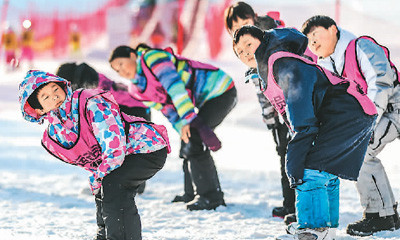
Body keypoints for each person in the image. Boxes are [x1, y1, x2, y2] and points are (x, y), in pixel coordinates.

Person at [233, 25, 376, 239]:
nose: (245, 53)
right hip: (353, 111)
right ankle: (326, 227)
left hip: (346, 111)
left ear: (262, 42)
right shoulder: (270, 69)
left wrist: (297, 150)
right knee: (323, 168)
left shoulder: (282, 63)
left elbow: (300, 110)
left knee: (308, 167)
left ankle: (314, 228)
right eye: (240, 52)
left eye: (248, 45)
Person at [19, 70, 170, 240]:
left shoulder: (90, 101)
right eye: (45, 97)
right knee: (103, 188)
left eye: (55, 89)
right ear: (38, 109)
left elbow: (114, 145)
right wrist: (98, 179)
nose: (54, 97)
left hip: (146, 147)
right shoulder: (55, 134)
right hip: (120, 157)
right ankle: (103, 235)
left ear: (63, 85)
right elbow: (88, 158)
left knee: (113, 184)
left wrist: (100, 176)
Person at [301, 15, 400, 236]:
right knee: (362, 152)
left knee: (362, 150)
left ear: (333, 29)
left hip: (394, 106)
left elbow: (380, 81)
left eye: (316, 35)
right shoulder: (326, 66)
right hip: (380, 113)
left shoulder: (360, 46)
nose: (313, 43)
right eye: (309, 41)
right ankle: (386, 215)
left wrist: (370, 122)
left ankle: (381, 215)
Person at [109, 44, 237, 211]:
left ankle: (211, 197)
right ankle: (191, 194)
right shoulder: (137, 89)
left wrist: (189, 120)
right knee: (188, 140)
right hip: (201, 101)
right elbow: (167, 109)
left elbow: (175, 88)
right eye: (116, 70)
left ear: (132, 55)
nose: (121, 71)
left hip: (220, 90)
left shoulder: (152, 58)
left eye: (121, 64)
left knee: (195, 136)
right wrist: (182, 128)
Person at [224, 1, 296, 223]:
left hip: (291, 105)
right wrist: (269, 118)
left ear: (253, 18)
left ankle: (297, 205)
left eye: (244, 22)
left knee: (293, 155)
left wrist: (279, 113)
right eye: (235, 27)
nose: (241, 29)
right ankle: (290, 204)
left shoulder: (268, 38)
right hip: (276, 111)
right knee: (284, 154)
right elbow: (260, 87)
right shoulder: (250, 47)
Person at [56, 62, 152, 194]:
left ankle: (125, 186)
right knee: (127, 147)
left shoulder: (87, 81)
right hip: (138, 106)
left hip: (132, 108)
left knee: (118, 146)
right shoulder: (90, 75)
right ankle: (128, 185)